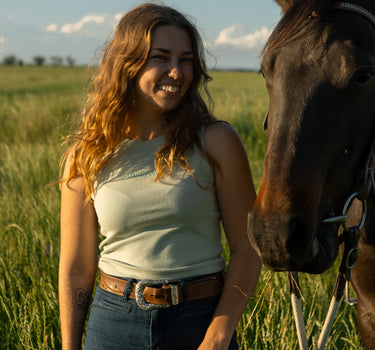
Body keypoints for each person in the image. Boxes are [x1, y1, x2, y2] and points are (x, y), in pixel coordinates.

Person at [59, 3, 261, 350]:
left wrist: (216, 338)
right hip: (112, 324)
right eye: (161, 57)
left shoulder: (216, 140)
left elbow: (248, 248)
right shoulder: (88, 153)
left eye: (185, 60)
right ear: (127, 63)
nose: (176, 72)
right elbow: (76, 267)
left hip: (199, 319)